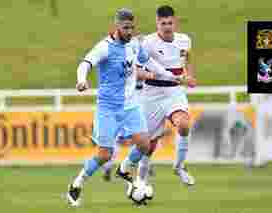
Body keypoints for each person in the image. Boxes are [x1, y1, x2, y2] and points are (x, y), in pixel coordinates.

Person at [67, 8, 178, 207]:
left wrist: (169, 75)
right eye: (125, 28)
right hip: (108, 108)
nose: (129, 32)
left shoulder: (134, 44)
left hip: (130, 105)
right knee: (104, 155)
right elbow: (85, 64)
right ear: (116, 27)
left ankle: (124, 169)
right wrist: (81, 80)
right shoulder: (104, 47)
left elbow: (148, 61)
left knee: (145, 144)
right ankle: (77, 184)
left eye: (132, 28)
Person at [136, 5, 197, 186]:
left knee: (184, 124)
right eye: (163, 23)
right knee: (148, 145)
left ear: (175, 22)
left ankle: (179, 166)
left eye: (170, 23)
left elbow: (188, 60)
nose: (167, 27)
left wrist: (189, 76)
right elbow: (136, 70)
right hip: (152, 94)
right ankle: (140, 180)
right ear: (157, 23)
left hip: (173, 91)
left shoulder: (185, 40)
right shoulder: (147, 43)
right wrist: (151, 75)